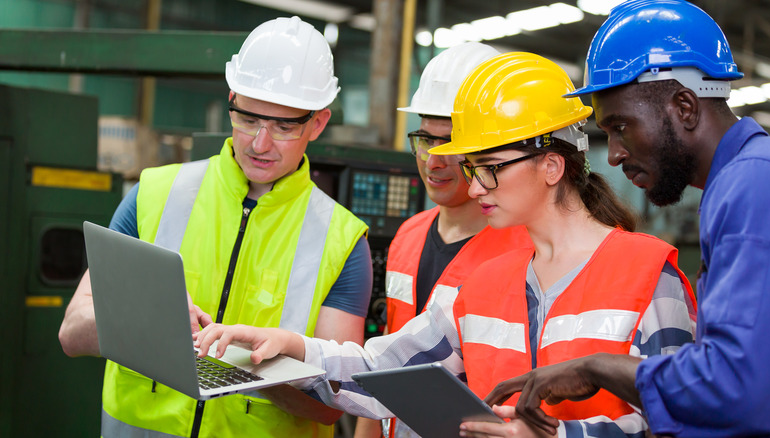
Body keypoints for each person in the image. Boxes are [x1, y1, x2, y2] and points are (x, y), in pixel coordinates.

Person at [192, 52, 697, 438]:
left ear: (551, 165)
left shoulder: (649, 277)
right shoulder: (479, 285)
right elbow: (381, 372)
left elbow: (684, 418)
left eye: (488, 169)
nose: (474, 188)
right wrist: (291, 348)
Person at [58, 16, 372, 438]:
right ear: (231, 99)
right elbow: (72, 333)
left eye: (283, 126)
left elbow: (332, 404)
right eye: (247, 118)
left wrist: (249, 364)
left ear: (317, 123)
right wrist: (150, 326)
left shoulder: (342, 241)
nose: (260, 143)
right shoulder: (153, 193)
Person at [481, 1, 770, 437]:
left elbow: (739, 390)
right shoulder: (746, 180)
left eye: (621, 127)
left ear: (684, 107)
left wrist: (599, 367)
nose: (616, 153)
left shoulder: (753, 183)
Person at [354, 42, 535, 438]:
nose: (433, 160)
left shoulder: (525, 251)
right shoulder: (409, 234)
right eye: (425, 139)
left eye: (451, 145)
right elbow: (386, 356)